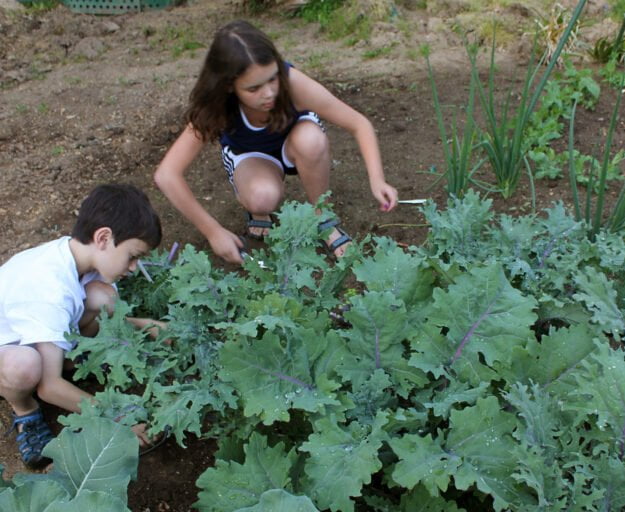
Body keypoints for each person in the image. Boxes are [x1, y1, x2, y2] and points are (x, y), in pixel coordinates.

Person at [154, 19, 398, 264]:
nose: (269, 93)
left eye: (272, 79)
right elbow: (167, 175)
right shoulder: (215, 108)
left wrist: (377, 180)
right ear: (229, 86)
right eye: (254, 88)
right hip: (252, 155)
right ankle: (258, 208)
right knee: (262, 196)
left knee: (311, 140)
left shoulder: (293, 84)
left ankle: (322, 218)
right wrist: (213, 231)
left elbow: (359, 123)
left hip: (296, 142)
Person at [0, 183, 164, 469]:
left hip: (38, 332)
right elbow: (49, 387)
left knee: (104, 297)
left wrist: (144, 324)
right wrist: (118, 420)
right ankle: (25, 411)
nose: (134, 267)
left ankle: (68, 360)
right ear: (103, 237)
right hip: (10, 352)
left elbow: (96, 303)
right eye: (133, 256)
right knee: (24, 367)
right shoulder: (49, 288)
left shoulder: (79, 257)